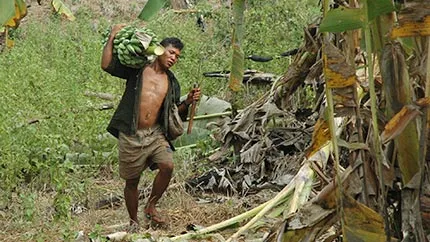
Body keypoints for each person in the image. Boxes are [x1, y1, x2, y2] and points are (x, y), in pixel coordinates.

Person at [101, 24, 200, 230]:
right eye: (172, 53)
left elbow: (174, 112)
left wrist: (188, 102)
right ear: (160, 49)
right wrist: (112, 37)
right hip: (131, 133)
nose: (174, 58)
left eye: (177, 56)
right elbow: (107, 65)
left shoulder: (172, 83)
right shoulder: (138, 69)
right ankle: (134, 222)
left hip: (155, 133)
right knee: (132, 181)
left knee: (167, 166)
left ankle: (151, 206)